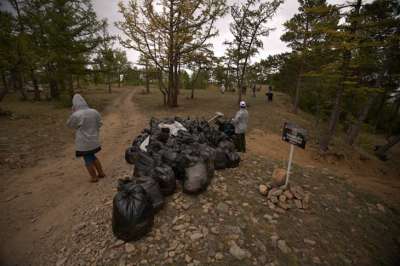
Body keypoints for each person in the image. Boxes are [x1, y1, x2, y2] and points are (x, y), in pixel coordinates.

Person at [67, 93, 105, 182]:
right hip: (94, 139)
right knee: (92, 156)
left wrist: (73, 113)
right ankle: (101, 173)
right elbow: (100, 123)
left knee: (87, 159)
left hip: (83, 142)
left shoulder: (76, 114)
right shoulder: (94, 111)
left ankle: (94, 177)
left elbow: (69, 125)